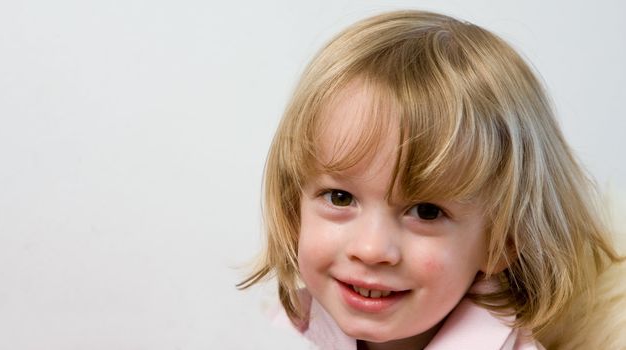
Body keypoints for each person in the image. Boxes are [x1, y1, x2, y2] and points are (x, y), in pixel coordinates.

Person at [238, 10, 623, 350]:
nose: (371, 249)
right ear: (294, 209)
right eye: (339, 198)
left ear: (501, 241)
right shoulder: (300, 325)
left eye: (425, 211)